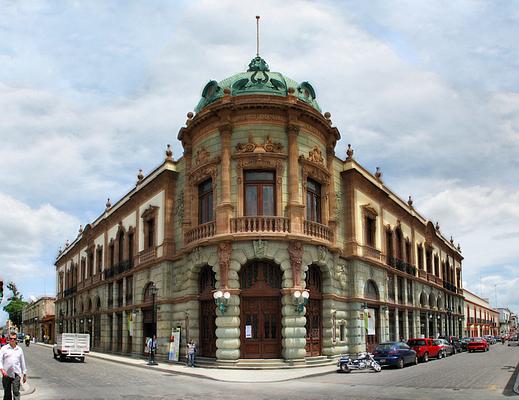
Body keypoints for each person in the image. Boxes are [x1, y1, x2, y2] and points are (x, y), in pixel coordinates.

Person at [0, 332, 27, 400]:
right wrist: (2, 369)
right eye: (11, 338)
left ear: (16, 339)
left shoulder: (19, 349)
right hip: (6, 374)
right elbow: (0, 360)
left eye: (14, 339)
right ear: (8, 339)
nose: (12, 340)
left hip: (16, 374)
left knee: (16, 392)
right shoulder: (4, 348)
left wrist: (24, 374)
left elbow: (22, 362)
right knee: (7, 393)